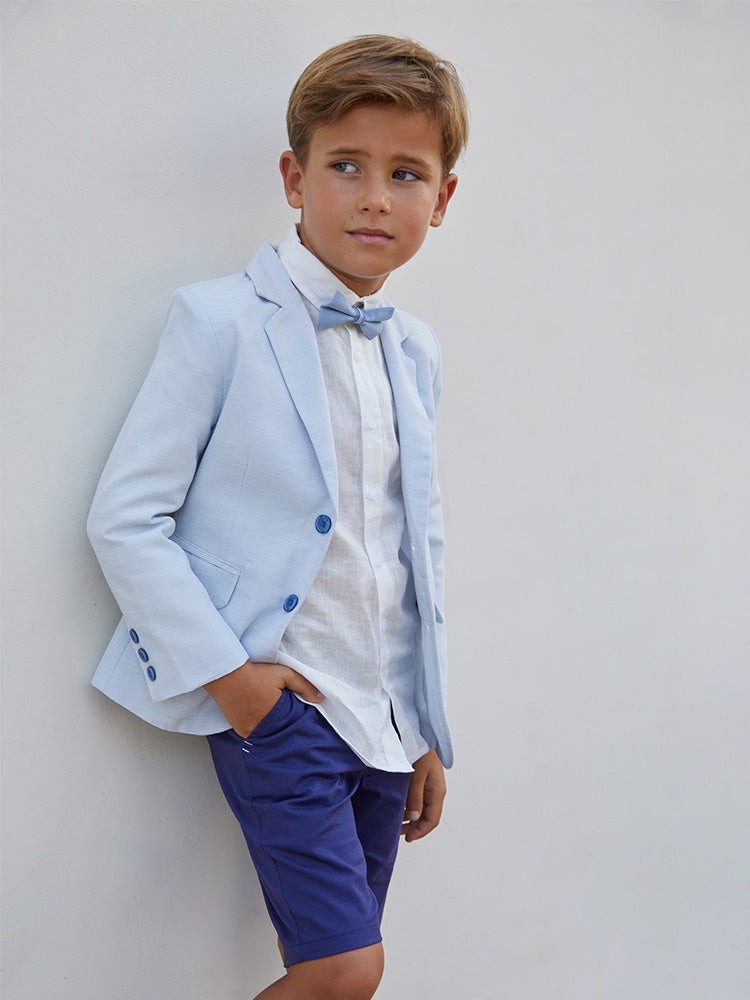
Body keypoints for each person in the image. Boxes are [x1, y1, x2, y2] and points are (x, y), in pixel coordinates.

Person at [87, 34, 469, 1000]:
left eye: (405, 173)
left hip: (386, 721)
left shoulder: (417, 351)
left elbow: (411, 550)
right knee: (346, 969)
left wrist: (426, 725)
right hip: (285, 713)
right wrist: (236, 683)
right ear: (295, 179)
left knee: (335, 973)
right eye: (346, 166)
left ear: (442, 199)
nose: (374, 196)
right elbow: (125, 518)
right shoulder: (219, 320)